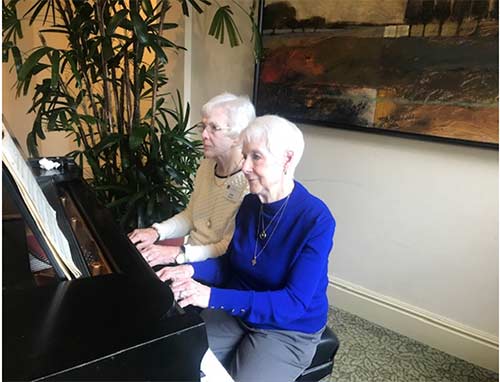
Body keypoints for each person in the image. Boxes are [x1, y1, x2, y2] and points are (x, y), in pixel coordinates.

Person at [156, 115, 336, 382]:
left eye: (256, 157)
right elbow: (231, 263)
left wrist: (211, 297)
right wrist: (189, 269)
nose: (245, 166)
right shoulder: (251, 203)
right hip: (238, 312)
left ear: (287, 159)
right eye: (244, 156)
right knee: (176, 361)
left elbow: (293, 304)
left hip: (287, 329)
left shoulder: (316, 219)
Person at [128, 93, 255, 266]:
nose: (204, 135)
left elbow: (227, 247)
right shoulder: (207, 166)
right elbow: (191, 216)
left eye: (214, 128)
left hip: (215, 267)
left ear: (238, 137)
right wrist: (156, 231)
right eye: (203, 127)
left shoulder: (250, 183)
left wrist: (178, 253)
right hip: (189, 256)